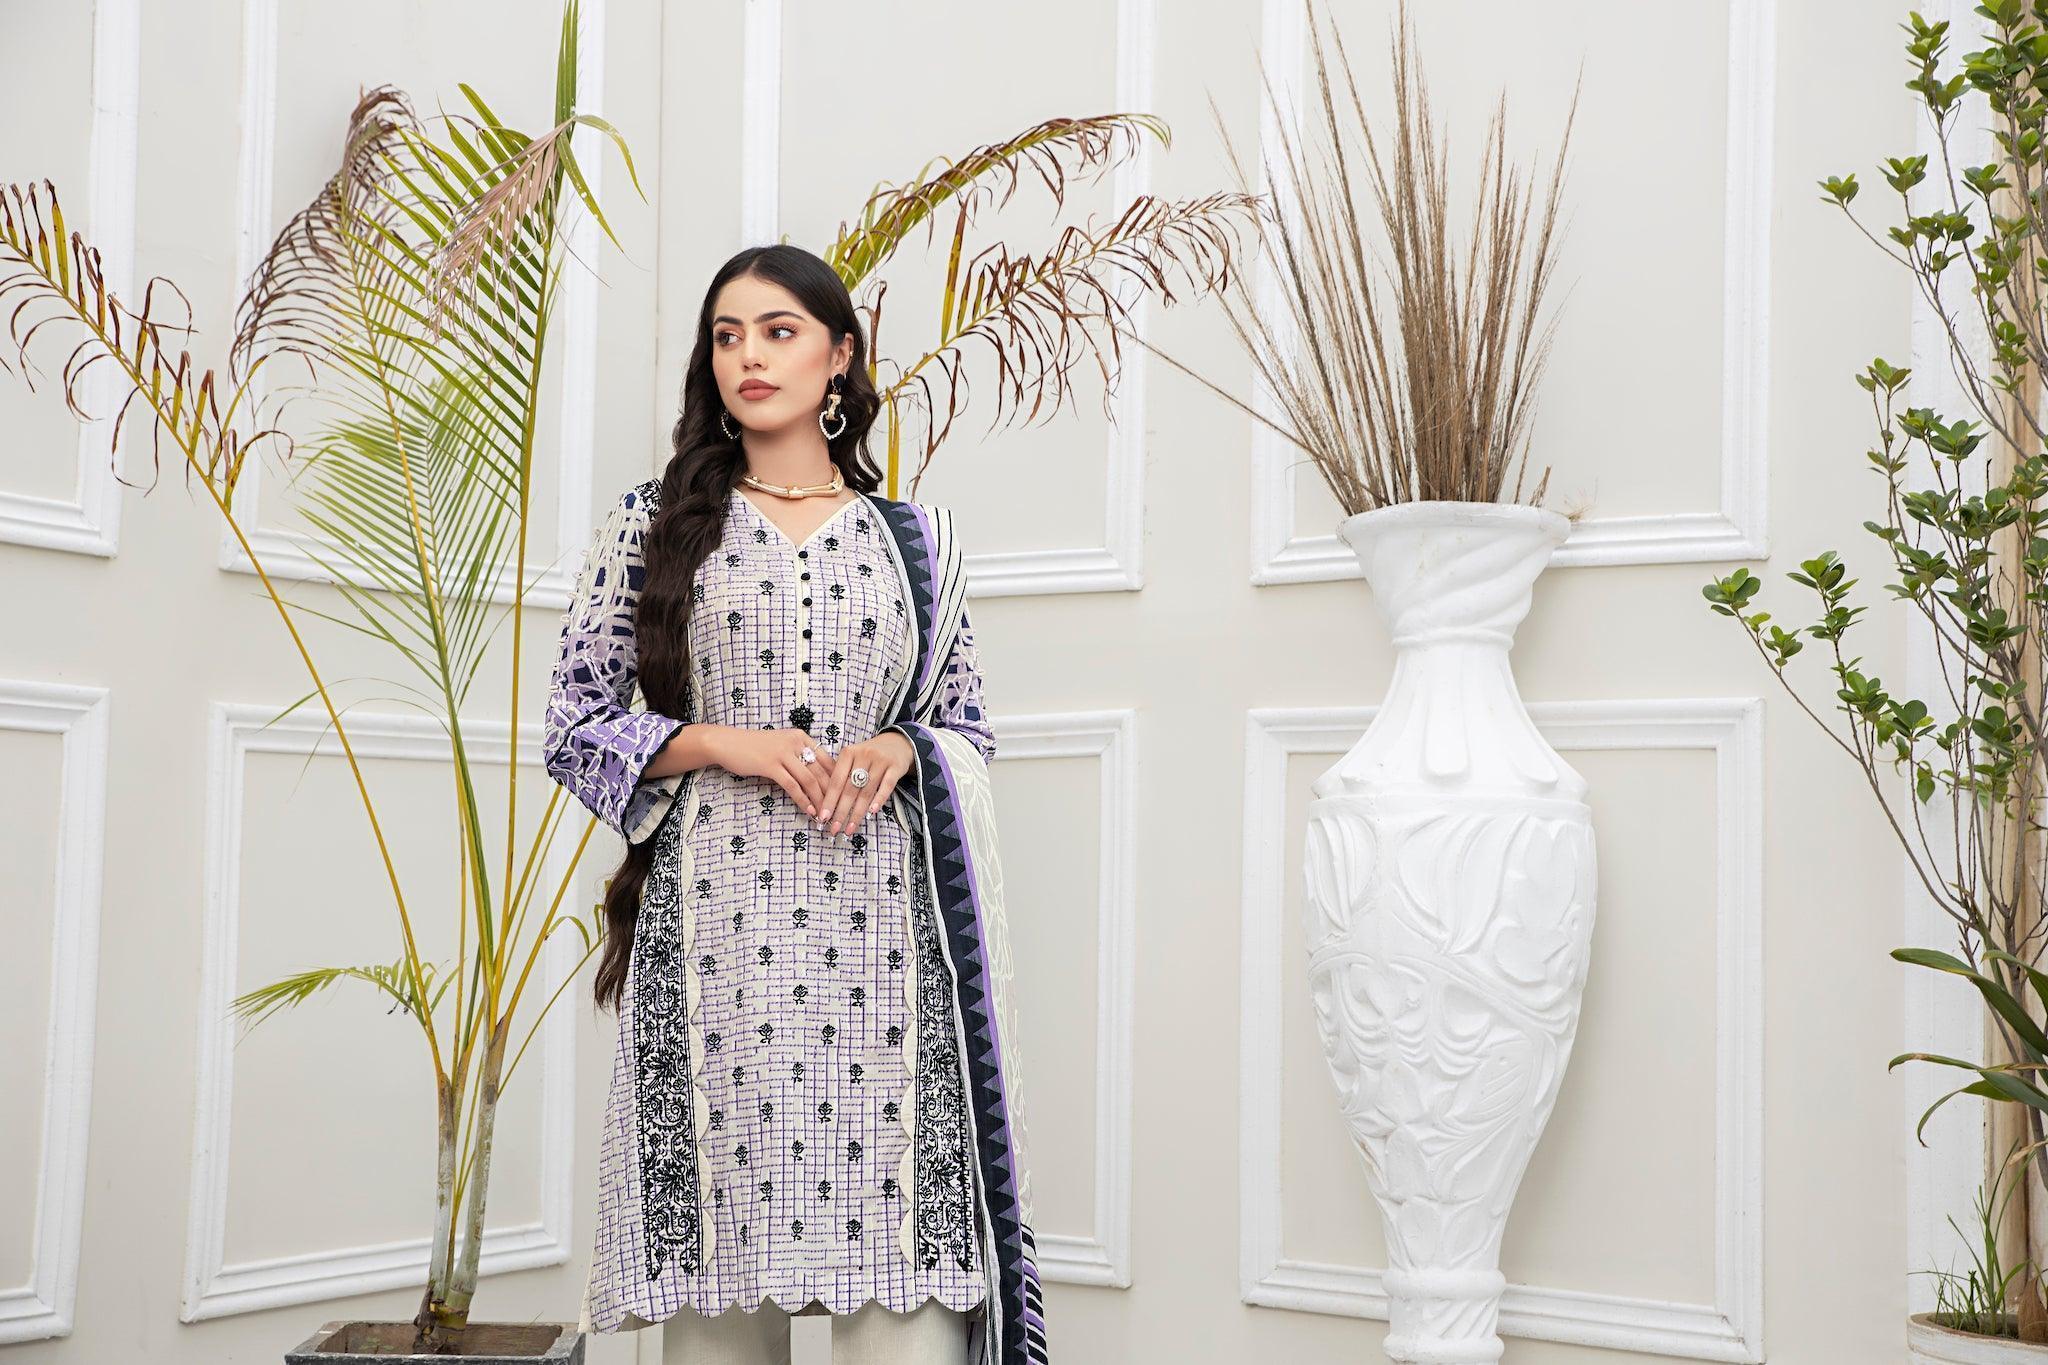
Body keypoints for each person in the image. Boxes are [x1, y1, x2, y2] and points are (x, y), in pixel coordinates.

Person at [543, 243, 1047, 1365]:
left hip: (888, 962)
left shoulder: (917, 543)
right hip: (719, 948)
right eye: (727, 336)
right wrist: (730, 744)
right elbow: (574, 725)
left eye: (778, 331)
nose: (749, 357)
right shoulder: (654, 524)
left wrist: (901, 747)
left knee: (907, 1312)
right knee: (720, 1316)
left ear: (840, 357)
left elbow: (967, 727)